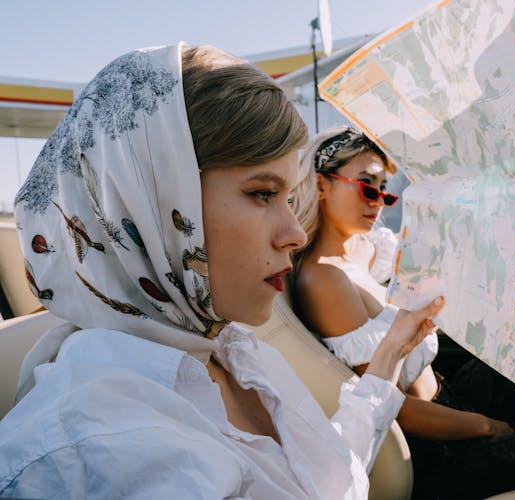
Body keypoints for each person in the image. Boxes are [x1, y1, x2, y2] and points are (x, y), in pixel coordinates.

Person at [0, 44, 444, 499]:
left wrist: (389, 354)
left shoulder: (230, 352)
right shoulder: (103, 453)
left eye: (289, 198)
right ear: (147, 205)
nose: (294, 233)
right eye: (262, 194)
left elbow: (326, 480)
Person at [291, 126, 515, 499]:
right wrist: (486, 426)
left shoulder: (367, 247)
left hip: (447, 394)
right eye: (366, 185)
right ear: (322, 185)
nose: (378, 200)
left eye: (384, 190)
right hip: (437, 452)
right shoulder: (324, 280)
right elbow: (396, 409)